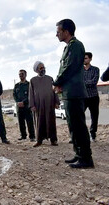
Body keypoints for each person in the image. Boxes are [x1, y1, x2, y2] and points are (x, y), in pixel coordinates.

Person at [53, 19, 94, 168]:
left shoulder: (76, 46)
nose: (56, 34)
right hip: (69, 92)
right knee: (72, 126)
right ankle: (78, 154)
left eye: (58, 32)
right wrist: (60, 85)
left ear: (66, 32)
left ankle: (86, 158)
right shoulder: (68, 48)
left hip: (75, 92)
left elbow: (69, 68)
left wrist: (57, 82)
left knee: (79, 126)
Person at [29, 61, 60, 147]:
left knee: (51, 121)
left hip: (50, 104)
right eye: (41, 68)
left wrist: (57, 102)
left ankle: (53, 140)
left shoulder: (50, 78)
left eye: (43, 67)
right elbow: (31, 93)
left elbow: (55, 91)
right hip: (38, 105)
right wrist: (32, 105)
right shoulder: (33, 80)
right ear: (36, 70)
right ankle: (39, 140)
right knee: (39, 122)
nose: (43, 69)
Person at [13, 70, 35, 142]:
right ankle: (23, 136)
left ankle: (32, 136)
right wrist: (18, 102)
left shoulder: (29, 84)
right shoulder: (16, 85)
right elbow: (14, 95)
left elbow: (31, 95)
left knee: (30, 122)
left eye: (22, 74)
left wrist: (24, 102)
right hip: (19, 107)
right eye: (19, 74)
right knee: (21, 122)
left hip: (27, 107)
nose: (20, 75)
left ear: (26, 75)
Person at [83, 52, 100, 141]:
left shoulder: (96, 69)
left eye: (85, 58)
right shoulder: (79, 71)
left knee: (94, 116)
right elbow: (79, 83)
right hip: (83, 97)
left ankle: (93, 134)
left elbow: (94, 82)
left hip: (93, 97)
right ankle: (83, 133)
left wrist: (84, 83)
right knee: (80, 115)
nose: (84, 60)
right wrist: (87, 83)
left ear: (90, 59)